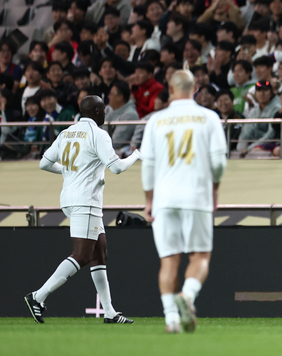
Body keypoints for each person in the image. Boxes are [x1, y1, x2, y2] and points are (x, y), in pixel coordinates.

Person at [24, 95, 141, 324]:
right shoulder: (98, 134)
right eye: (103, 110)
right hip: (85, 200)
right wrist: (136, 155)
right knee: (82, 255)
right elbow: (116, 168)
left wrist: (71, 171)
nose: (106, 114)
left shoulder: (67, 132)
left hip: (70, 198)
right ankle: (38, 296)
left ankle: (109, 312)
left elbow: (44, 163)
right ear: (97, 111)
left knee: (100, 252)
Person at [141, 68, 227, 333]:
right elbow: (218, 162)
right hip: (196, 196)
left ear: (169, 88)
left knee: (169, 261)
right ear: (195, 89)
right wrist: (214, 189)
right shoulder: (209, 117)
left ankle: (171, 320)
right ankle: (187, 297)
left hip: (165, 199)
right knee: (200, 256)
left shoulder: (156, 120)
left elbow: (148, 165)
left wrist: (149, 199)